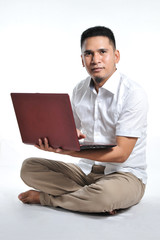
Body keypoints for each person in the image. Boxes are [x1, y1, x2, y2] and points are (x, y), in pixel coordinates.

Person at [18, 26, 148, 215]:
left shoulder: (133, 94)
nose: (95, 60)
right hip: (85, 172)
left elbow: (121, 154)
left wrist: (70, 152)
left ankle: (48, 199)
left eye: (103, 52)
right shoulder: (79, 90)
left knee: (105, 195)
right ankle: (91, 200)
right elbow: (74, 135)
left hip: (124, 175)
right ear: (82, 59)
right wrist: (57, 140)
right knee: (28, 168)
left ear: (116, 56)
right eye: (88, 54)